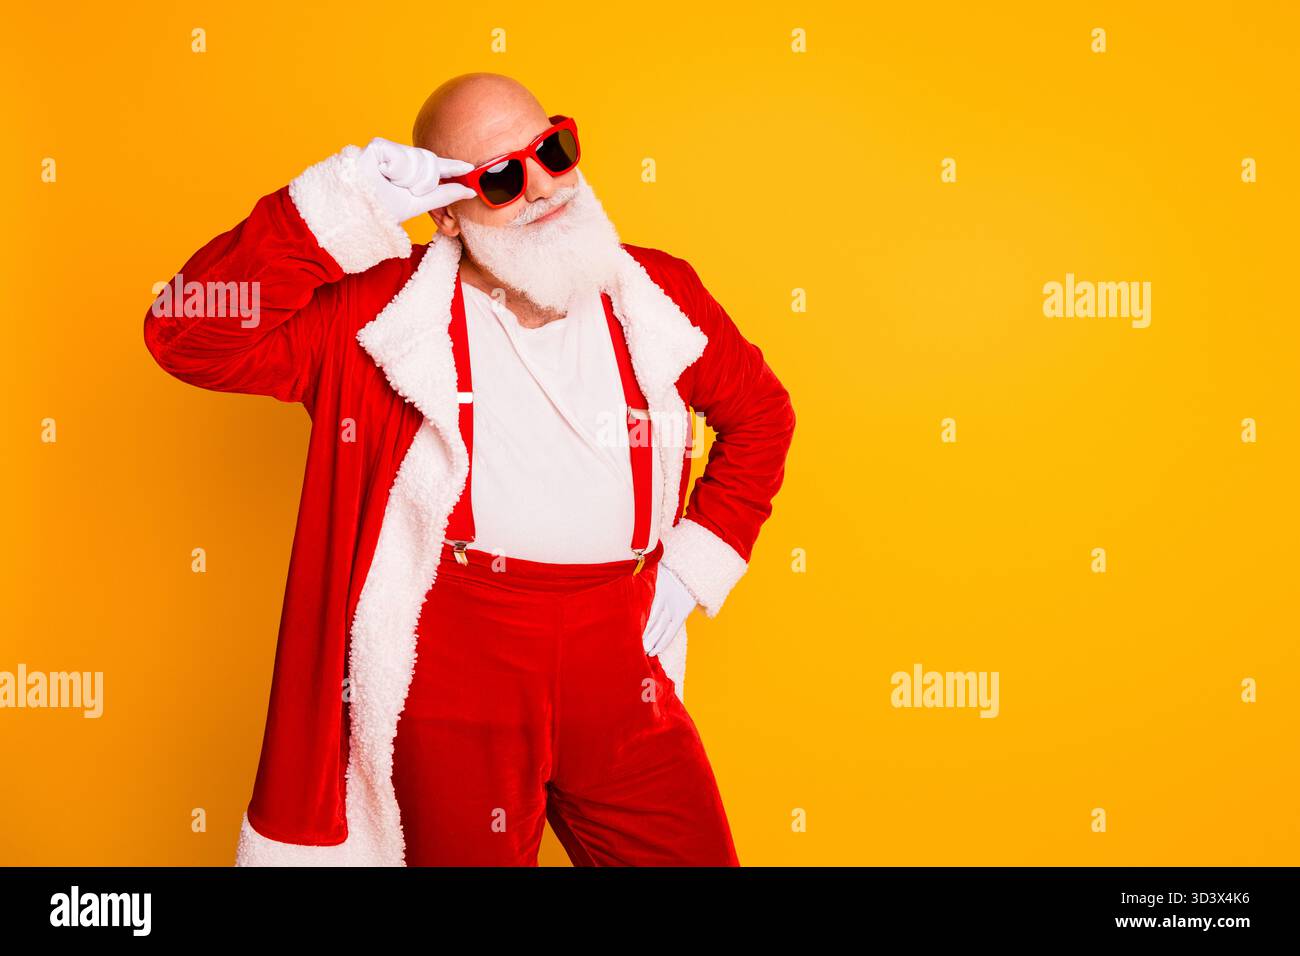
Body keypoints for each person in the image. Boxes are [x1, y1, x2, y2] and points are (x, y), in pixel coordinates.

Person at [143, 71, 795, 866]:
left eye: (552, 149)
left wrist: (692, 568)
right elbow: (186, 331)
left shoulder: (656, 292)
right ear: (446, 211)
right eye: (502, 177)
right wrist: (349, 199)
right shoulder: (379, 313)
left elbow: (762, 416)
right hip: (457, 660)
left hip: (621, 654)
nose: (545, 187)